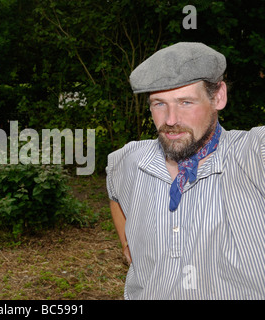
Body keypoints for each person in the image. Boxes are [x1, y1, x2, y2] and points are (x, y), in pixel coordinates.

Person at [106, 42, 265, 299]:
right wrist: (127, 243)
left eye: (186, 102)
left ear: (218, 97)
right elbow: (114, 190)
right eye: (159, 104)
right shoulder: (130, 160)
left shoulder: (252, 154)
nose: (170, 120)